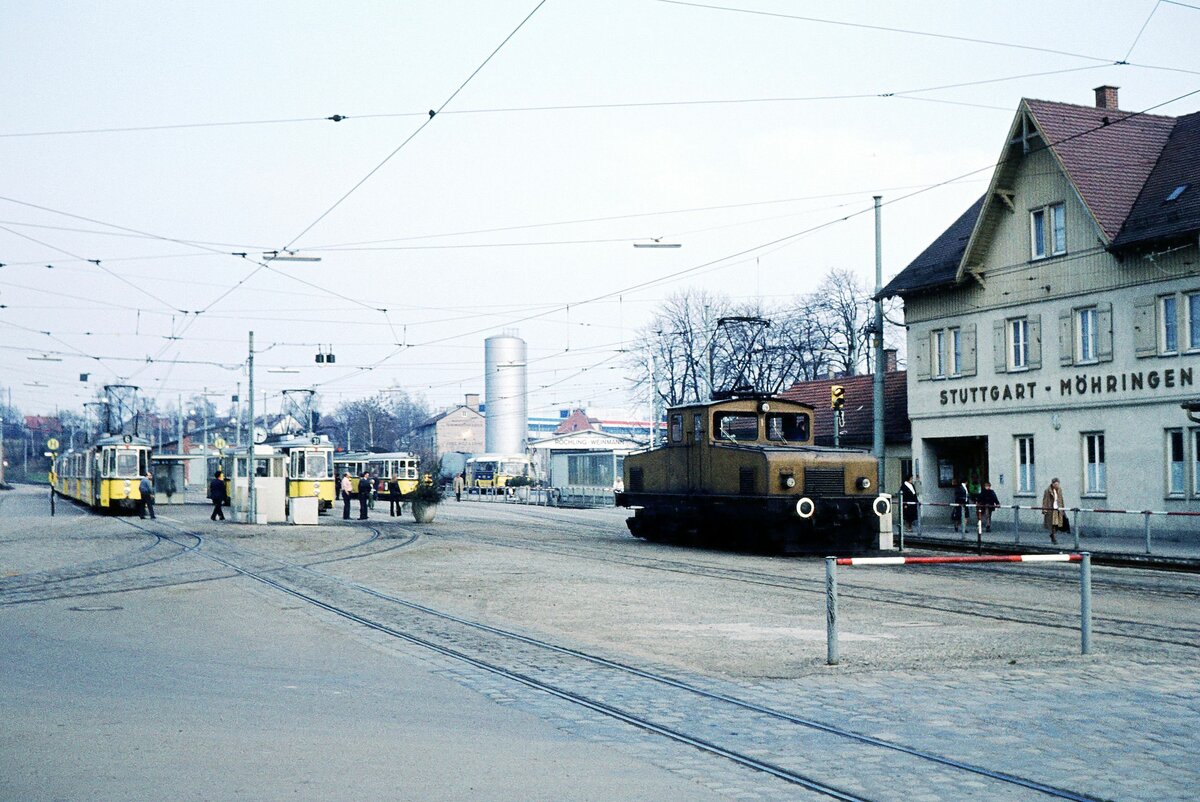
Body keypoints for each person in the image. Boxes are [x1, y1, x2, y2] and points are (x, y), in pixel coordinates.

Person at [1042, 477, 1066, 544]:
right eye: (1055, 484)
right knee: (1052, 524)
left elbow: (1061, 499)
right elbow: (1045, 500)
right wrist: (1044, 509)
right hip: (1051, 509)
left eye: (1058, 484)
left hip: (1058, 509)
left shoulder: (1059, 490)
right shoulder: (1048, 490)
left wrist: (1063, 508)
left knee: (1057, 524)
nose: (1057, 485)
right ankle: (1054, 537)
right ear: (1052, 484)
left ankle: (1052, 535)